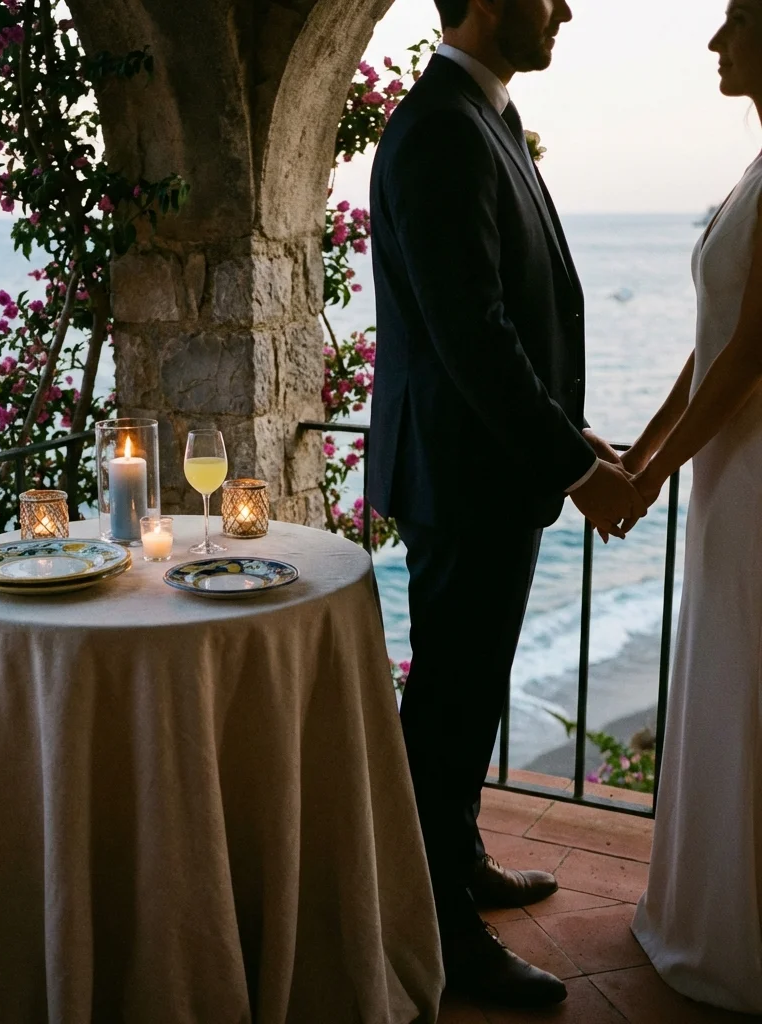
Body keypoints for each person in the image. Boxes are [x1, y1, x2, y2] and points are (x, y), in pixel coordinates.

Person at [367, 0, 647, 1008]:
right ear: (485, 3)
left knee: (468, 686)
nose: (563, 9)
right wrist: (576, 471)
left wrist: (570, 441)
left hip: (484, 468)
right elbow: (471, 332)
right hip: (460, 472)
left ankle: (462, 858)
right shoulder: (441, 125)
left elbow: (511, 312)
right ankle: (437, 927)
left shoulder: (478, 113)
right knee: (448, 701)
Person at [628, 3, 762, 1012]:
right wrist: (641, 449)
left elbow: (750, 354)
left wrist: (656, 470)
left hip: (752, 468)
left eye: (736, 23)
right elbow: (710, 341)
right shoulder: (748, 172)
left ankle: (736, 932)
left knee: (744, 676)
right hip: (725, 467)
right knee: (724, 667)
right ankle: (706, 906)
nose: (716, 45)